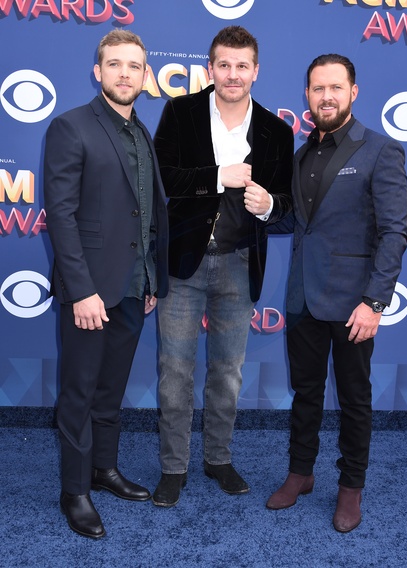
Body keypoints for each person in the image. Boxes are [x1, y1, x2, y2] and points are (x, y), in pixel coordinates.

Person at [266, 54, 407, 532]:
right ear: (307, 95)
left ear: (353, 92)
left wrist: (374, 302)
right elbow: (295, 222)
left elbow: (394, 232)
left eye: (335, 88)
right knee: (305, 392)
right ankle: (300, 473)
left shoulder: (380, 149)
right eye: (317, 89)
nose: (326, 97)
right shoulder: (301, 154)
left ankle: (350, 487)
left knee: (354, 399)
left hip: (353, 304)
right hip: (302, 298)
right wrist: (265, 208)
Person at [152, 25, 293, 507]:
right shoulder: (180, 112)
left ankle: (218, 458)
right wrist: (218, 177)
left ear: (256, 71)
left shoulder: (277, 131)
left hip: (239, 263)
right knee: (174, 372)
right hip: (182, 264)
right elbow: (162, 177)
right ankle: (173, 467)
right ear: (210, 68)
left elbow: (289, 205)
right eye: (224, 65)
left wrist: (269, 205)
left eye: (242, 66)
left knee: (228, 372)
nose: (233, 74)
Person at [44, 30, 169, 539]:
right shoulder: (70, 127)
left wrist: (151, 276)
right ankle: (75, 491)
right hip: (89, 292)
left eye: (134, 66)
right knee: (79, 392)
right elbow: (61, 216)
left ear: (145, 76)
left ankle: (104, 468)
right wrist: (81, 290)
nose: (124, 73)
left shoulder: (142, 132)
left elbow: (146, 214)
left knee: (111, 388)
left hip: (134, 288)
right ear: (98, 71)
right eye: (114, 64)